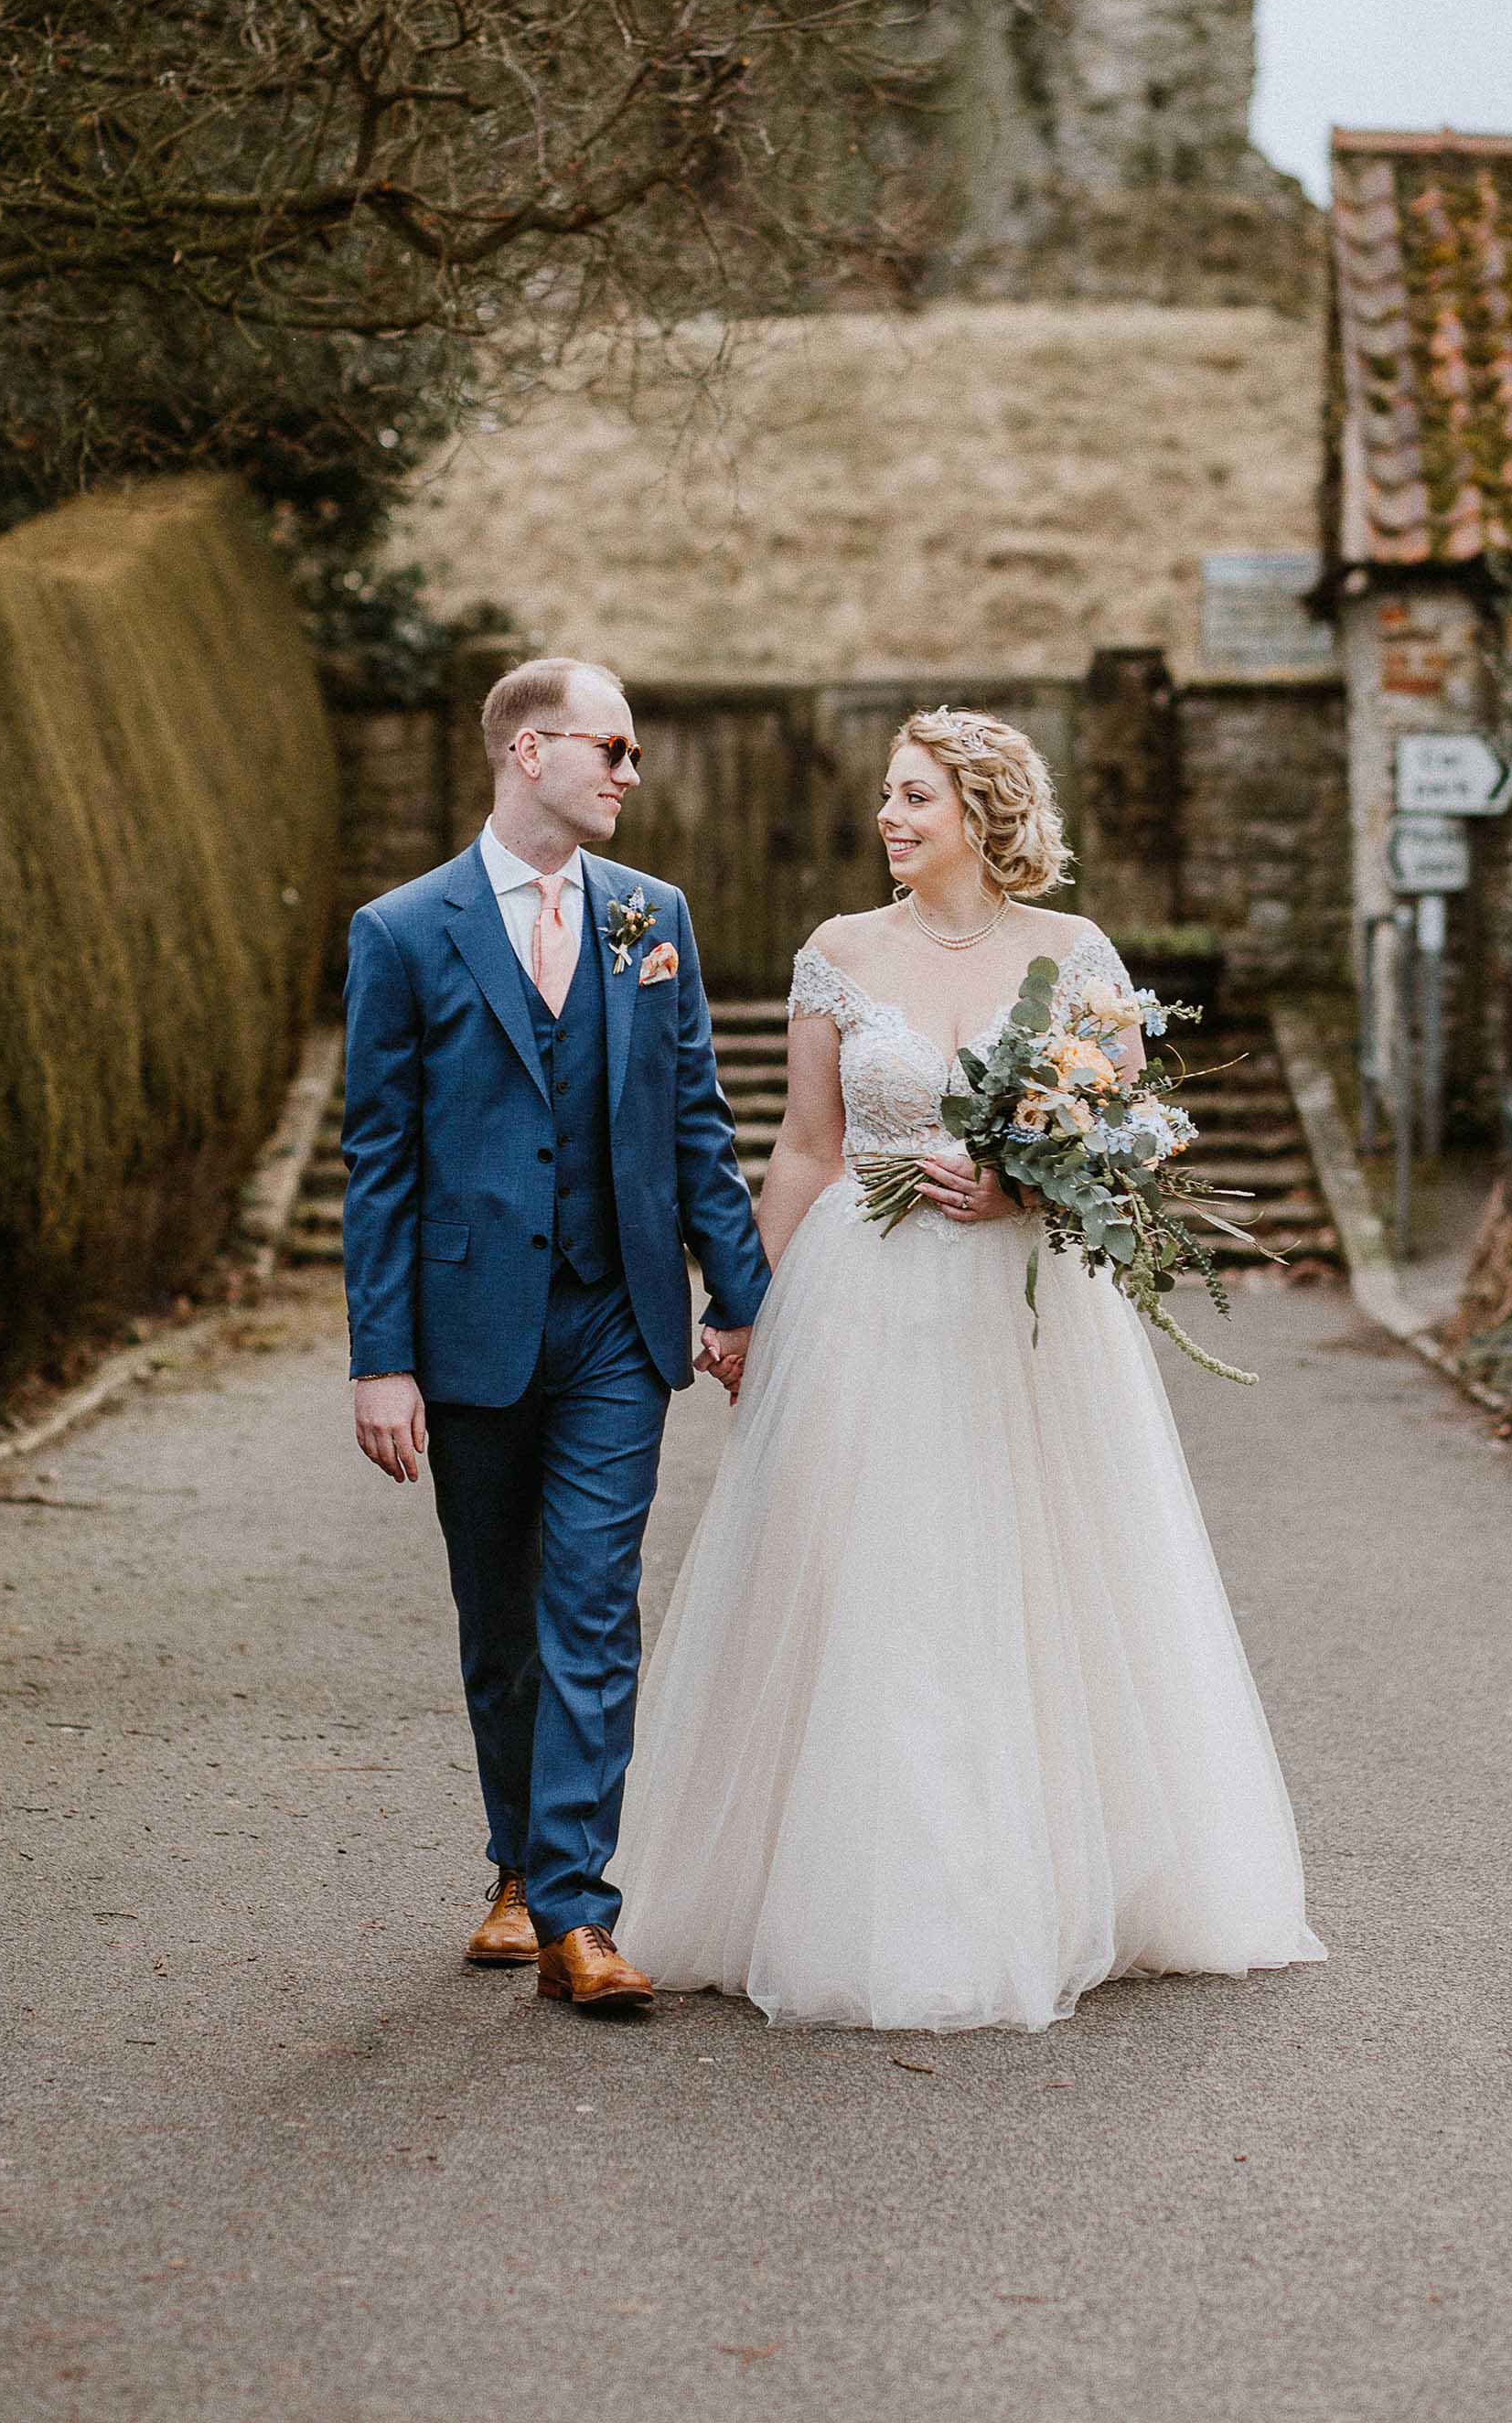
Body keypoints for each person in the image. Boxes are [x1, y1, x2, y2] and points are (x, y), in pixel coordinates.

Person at [617, 706, 1325, 2031]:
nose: (890, 819)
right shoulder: (837, 954)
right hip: (860, 1305)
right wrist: (747, 1306)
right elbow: (809, 1149)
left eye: (916, 799)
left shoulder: (1075, 955)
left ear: (985, 815)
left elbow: (1129, 1141)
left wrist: (1023, 1186)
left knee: (1030, 1570)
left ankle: (1056, 1880)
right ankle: (834, 1881)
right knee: (865, 1571)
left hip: (1021, 1308)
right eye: (889, 799)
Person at [340, 656, 768, 2013]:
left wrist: (743, 1294)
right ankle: (518, 1868)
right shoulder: (404, 932)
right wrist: (379, 1356)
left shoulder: (657, 919)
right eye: (614, 749)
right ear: (531, 751)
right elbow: (381, 1161)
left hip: (614, 1323)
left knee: (592, 1602)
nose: (632, 774)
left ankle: (581, 1912)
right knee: (501, 1620)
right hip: (466, 1333)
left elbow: (697, 1120)